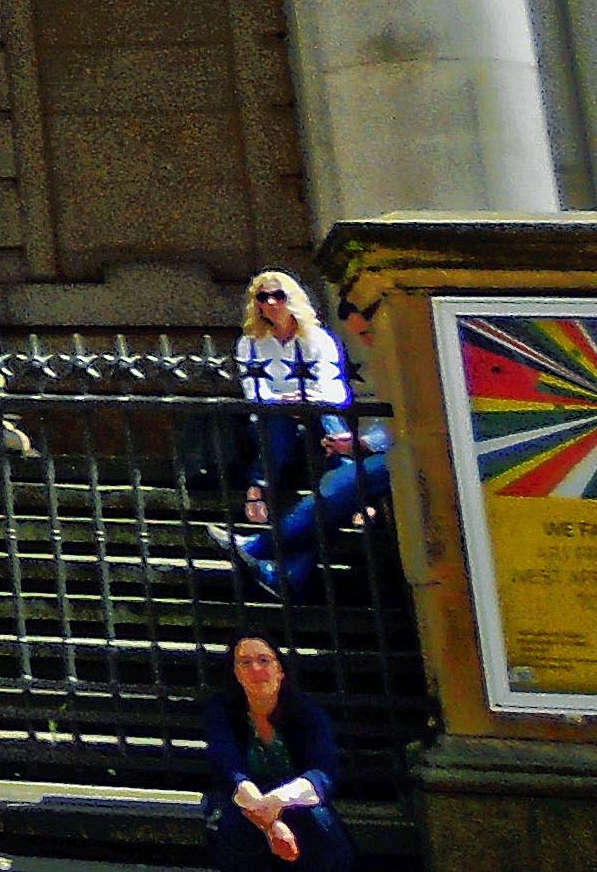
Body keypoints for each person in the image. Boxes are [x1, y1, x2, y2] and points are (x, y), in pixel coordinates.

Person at [232, 273, 389, 599]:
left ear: (294, 298)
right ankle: (342, 488)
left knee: (326, 433)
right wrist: (283, 403)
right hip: (276, 418)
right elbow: (254, 391)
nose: (271, 303)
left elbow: (333, 391)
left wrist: (304, 401)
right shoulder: (250, 343)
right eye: (263, 298)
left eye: (278, 295)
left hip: (321, 414)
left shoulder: (318, 339)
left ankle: (263, 542)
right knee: (277, 426)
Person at [202, 630, 352, 869]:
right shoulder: (220, 712)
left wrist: (275, 803)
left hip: (293, 797)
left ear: (280, 671)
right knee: (233, 826)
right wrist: (272, 824)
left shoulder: (307, 714)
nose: (256, 669)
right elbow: (230, 771)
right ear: (236, 673)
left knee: (320, 823)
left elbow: (321, 774)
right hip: (243, 800)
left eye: (264, 660)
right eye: (245, 663)